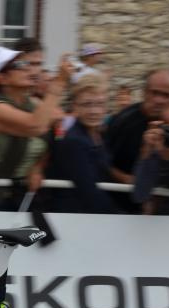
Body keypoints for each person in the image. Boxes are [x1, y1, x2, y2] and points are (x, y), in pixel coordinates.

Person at [0, 46, 70, 209]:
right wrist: (59, 82)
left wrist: (36, 166)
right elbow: (36, 126)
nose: (28, 69)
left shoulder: (32, 104)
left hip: (21, 195)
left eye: (26, 63)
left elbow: (46, 138)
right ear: (2, 78)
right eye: (18, 66)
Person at [104, 68, 169, 211]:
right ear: (144, 92)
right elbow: (103, 161)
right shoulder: (123, 121)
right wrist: (127, 179)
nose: (159, 100)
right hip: (121, 206)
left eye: (166, 95)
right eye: (154, 93)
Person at [48, 74, 116, 213]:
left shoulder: (100, 134)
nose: (94, 111)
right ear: (75, 106)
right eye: (87, 104)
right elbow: (89, 192)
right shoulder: (75, 141)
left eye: (99, 104)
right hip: (74, 216)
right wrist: (122, 215)